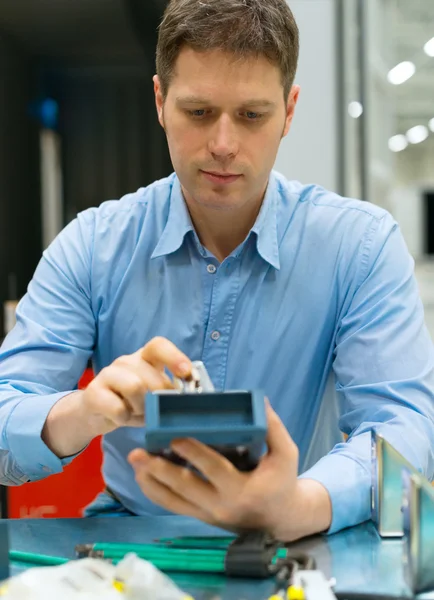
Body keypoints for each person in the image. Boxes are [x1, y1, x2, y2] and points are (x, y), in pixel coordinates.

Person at [0, 0, 433, 542]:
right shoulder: (92, 244)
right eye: (199, 112)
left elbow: (404, 432)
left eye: (252, 115)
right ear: (159, 100)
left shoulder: (360, 245)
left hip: (297, 542)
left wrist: (297, 505)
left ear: (289, 111)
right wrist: (84, 410)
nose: (224, 146)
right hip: (131, 544)